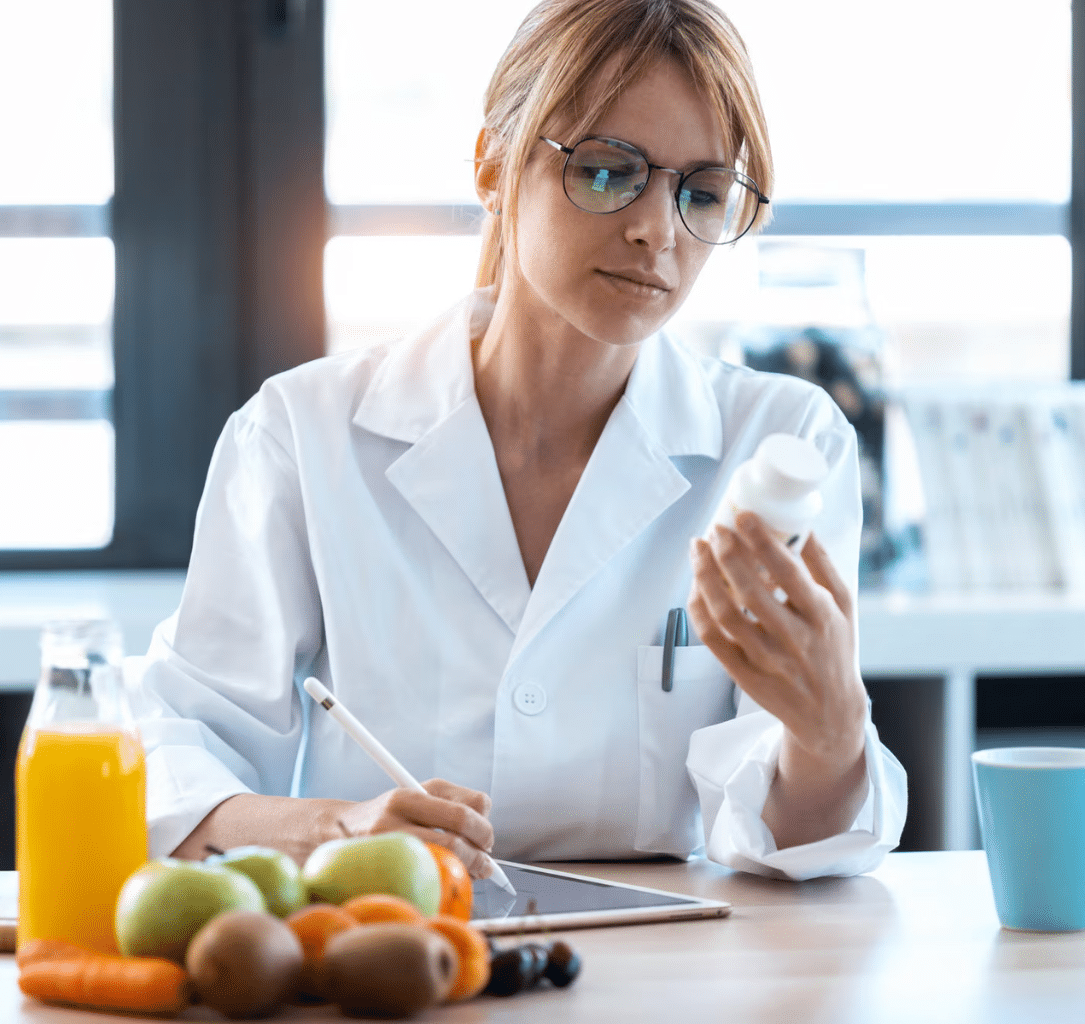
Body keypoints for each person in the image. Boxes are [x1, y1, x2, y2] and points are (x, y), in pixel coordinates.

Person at [137, 0, 906, 882]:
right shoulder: (302, 435)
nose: (658, 229)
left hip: (669, 972)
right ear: (494, 167)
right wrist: (337, 829)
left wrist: (832, 732)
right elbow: (177, 767)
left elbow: (791, 846)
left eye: (700, 192)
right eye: (611, 171)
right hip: (393, 960)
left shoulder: (781, 441)